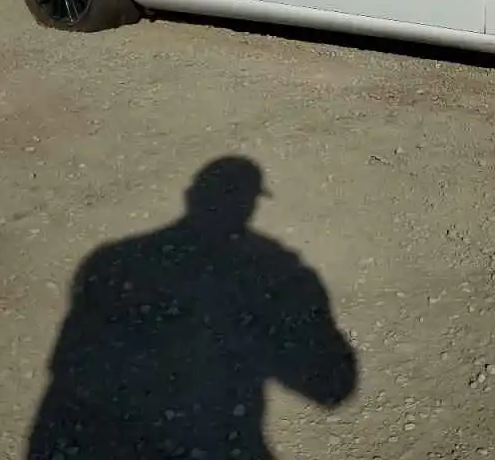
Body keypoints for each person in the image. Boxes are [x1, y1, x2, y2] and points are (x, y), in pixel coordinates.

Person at [26, 156, 358, 460]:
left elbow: (69, 384)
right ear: (250, 206)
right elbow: (332, 384)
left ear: (192, 196)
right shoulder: (274, 273)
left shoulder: (115, 264)